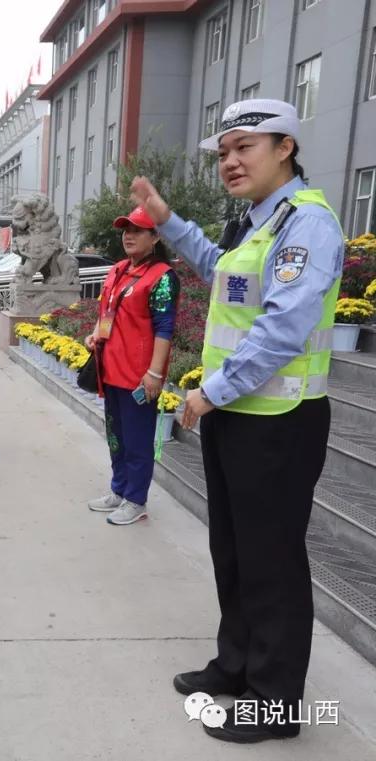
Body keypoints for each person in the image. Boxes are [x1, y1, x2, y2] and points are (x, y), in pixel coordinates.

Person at [130, 98, 345, 744]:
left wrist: (209, 392)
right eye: (223, 152)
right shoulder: (256, 224)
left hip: (278, 422)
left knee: (271, 560)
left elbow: (282, 329)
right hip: (238, 417)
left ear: (286, 148)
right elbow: (216, 270)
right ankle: (236, 664)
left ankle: (275, 703)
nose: (230, 161)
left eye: (244, 146)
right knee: (234, 552)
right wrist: (167, 220)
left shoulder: (306, 225)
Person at [83, 207, 179, 526]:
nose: (129, 235)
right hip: (110, 370)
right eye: (126, 229)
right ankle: (119, 489)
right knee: (116, 437)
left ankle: (136, 499)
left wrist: (154, 374)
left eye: (138, 230)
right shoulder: (118, 271)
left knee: (138, 441)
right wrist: (96, 334)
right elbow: (107, 312)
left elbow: (165, 328)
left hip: (139, 378)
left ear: (155, 237)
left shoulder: (162, 277)